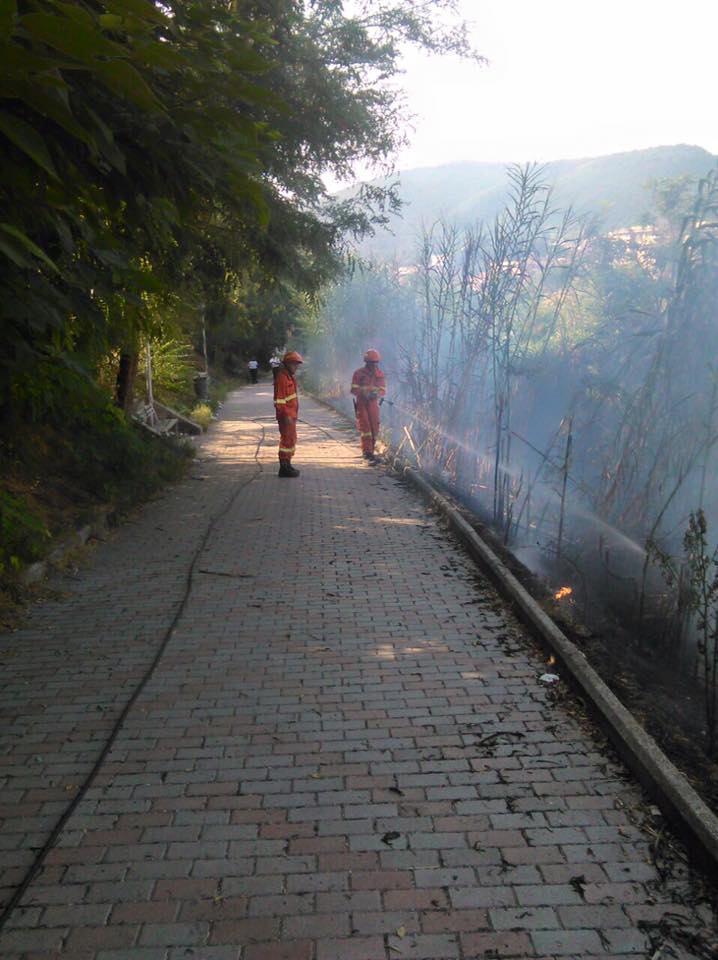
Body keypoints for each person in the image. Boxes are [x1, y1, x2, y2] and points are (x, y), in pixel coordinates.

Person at [350, 348, 386, 461]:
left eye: (375, 363)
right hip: (362, 403)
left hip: (373, 403)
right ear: (367, 362)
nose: (374, 365)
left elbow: (383, 390)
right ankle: (367, 452)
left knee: (374, 427)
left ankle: (372, 449)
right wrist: (363, 392)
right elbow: (353, 389)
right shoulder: (358, 373)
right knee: (365, 428)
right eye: (371, 363)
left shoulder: (380, 374)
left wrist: (375, 394)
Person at [274, 351, 303, 478]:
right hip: (286, 417)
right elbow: (279, 401)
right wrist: (286, 417)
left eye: (297, 364)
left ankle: (288, 464)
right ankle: (284, 468)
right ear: (288, 364)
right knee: (286, 441)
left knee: (291, 440)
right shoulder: (282, 378)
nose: (296, 367)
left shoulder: (288, 377)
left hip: (290, 416)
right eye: (295, 364)